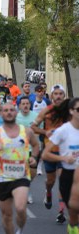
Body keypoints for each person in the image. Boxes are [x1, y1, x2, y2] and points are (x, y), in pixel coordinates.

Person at [0, 103, 40, 234]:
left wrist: (33, 157)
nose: (9, 112)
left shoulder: (26, 131)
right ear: (1, 114)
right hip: (2, 177)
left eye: (12, 110)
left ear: (16, 113)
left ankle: (20, 229)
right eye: (6, 110)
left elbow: (36, 145)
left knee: (21, 208)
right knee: (7, 216)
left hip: (21, 175)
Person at [31, 84, 68, 223]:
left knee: (63, 181)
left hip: (65, 153)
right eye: (56, 94)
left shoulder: (70, 112)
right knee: (51, 181)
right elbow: (33, 127)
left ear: (64, 96)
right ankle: (48, 192)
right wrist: (46, 132)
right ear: (51, 96)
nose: (58, 96)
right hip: (50, 152)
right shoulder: (46, 111)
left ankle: (61, 211)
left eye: (60, 94)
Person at [42, 97, 79, 234]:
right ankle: (73, 227)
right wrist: (63, 158)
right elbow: (45, 154)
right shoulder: (63, 130)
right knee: (74, 214)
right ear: (71, 111)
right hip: (69, 175)